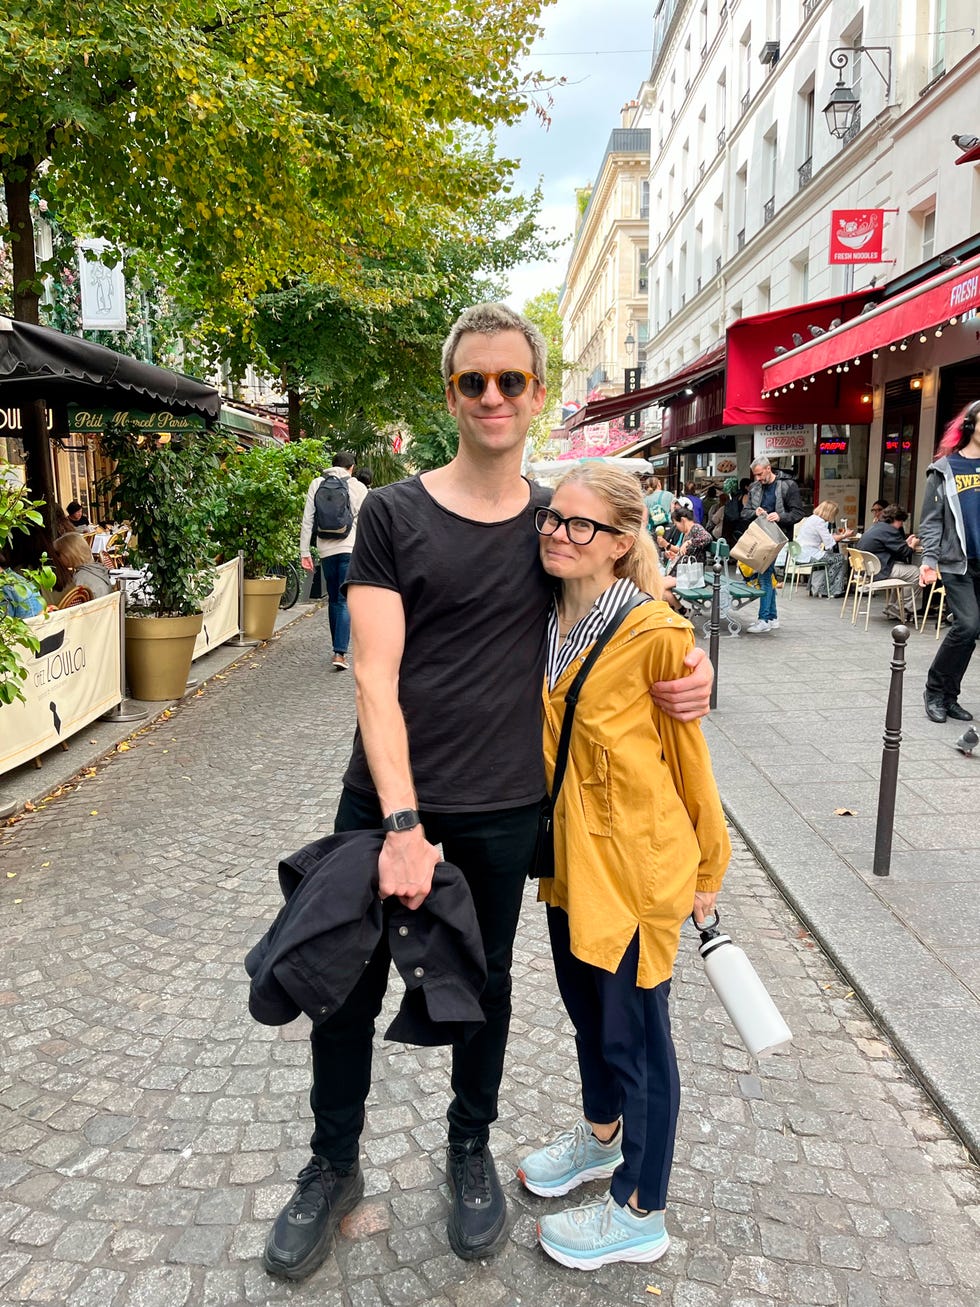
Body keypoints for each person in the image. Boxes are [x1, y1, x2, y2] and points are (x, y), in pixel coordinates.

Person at [262, 303, 714, 1283]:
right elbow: (373, 677)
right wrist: (400, 821)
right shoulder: (390, 512)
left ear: (536, 393)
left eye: (512, 380)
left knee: (486, 990)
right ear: (451, 393)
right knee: (343, 985)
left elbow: (625, 590)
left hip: (508, 809)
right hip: (388, 804)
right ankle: (331, 1162)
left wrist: (691, 662)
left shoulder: (552, 524)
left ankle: (469, 1151)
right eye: (475, 381)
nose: (494, 397)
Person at [516, 464, 729, 1269]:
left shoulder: (656, 635)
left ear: (621, 542)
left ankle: (641, 1207)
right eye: (553, 519)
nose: (559, 535)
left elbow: (691, 763)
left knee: (638, 1036)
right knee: (587, 1013)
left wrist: (708, 867)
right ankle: (602, 1137)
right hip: (569, 864)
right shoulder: (540, 616)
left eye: (582, 526)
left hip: (636, 872)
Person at [919, 400, 980, 724]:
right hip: (959, 562)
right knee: (967, 625)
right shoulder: (944, 469)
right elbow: (930, 521)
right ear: (970, 425)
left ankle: (950, 696)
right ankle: (934, 690)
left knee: (972, 631)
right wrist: (929, 559)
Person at [299, 451, 368, 671]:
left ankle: (336, 648)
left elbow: (308, 519)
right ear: (352, 468)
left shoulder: (317, 483)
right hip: (350, 548)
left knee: (333, 599)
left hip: (325, 549)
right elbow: (366, 521)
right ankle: (340, 653)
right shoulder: (358, 487)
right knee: (344, 599)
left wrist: (304, 552)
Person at [741, 457, 804, 634]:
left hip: (778, 536)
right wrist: (755, 511)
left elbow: (798, 512)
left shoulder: (788, 485)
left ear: (769, 469)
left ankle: (764, 618)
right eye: (756, 475)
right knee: (766, 575)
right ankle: (772, 617)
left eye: (760, 474)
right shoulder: (754, 487)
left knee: (764, 576)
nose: (758, 478)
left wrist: (780, 517)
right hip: (760, 536)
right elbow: (744, 513)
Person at [857, 504, 921, 621]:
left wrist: (904, 543)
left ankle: (892, 607)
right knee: (917, 573)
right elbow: (905, 553)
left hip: (868, 570)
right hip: (880, 571)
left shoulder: (877, 527)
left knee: (903, 571)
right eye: (901, 521)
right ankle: (899, 607)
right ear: (895, 519)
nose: (901, 525)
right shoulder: (890, 530)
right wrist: (913, 545)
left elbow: (894, 547)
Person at [795, 500, 852, 597]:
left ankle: (819, 588)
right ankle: (829, 589)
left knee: (831, 558)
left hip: (802, 552)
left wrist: (833, 536)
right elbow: (829, 542)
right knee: (840, 558)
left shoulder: (812, 518)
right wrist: (844, 535)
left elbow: (825, 538)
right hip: (809, 553)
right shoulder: (819, 522)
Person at [52, 532, 113, 599]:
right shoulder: (99, 569)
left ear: (68, 554)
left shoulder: (80, 579)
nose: (57, 558)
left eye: (58, 554)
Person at [663, 504, 712, 568]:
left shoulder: (695, 528)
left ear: (683, 520)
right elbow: (685, 552)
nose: (676, 527)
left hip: (693, 569)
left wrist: (689, 542)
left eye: (676, 524)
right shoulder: (686, 533)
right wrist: (675, 556)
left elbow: (707, 537)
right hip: (686, 567)